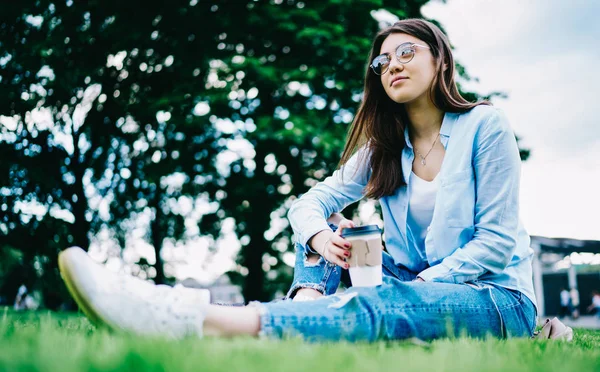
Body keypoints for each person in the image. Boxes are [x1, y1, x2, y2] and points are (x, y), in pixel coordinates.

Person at [57, 18, 538, 342]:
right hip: (416, 282)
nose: (392, 65)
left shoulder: (484, 126)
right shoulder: (384, 148)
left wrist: (412, 289)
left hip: (495, 296)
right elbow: (308, 203)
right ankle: (305, 309)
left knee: (385, 304)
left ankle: (188, 317)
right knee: (325, 231)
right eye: (383, 61)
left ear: (440, 60)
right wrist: (322, 235)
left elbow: (494, 244)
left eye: (406, 52)